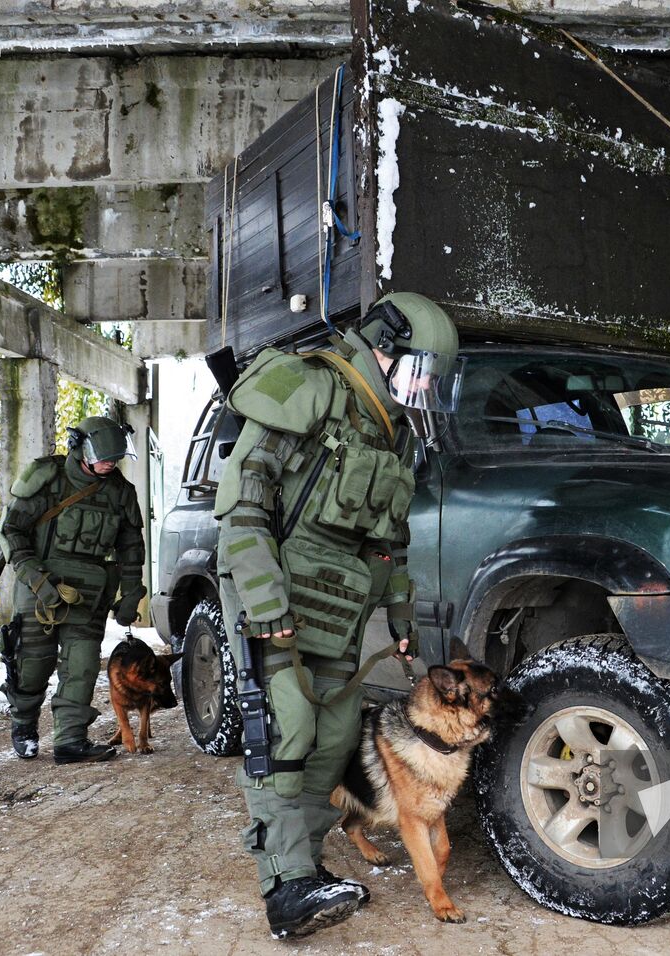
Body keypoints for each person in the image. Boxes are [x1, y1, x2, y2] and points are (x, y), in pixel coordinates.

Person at [215, 292, 460, 938]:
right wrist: (264, 600)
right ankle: (284, 886)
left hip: (336, 610)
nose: (421, 388)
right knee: (287, 730)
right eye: (416, 369)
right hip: (275, 595)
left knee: (332, 738)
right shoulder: (310, 388)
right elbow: (242, 504)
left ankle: (306, 867)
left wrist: (401, 617)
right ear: (382, 342)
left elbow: (389, 540)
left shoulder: (394, 429)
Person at [0, 415, 147, 764]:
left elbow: (131, 548)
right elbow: (12, 531)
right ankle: (23, 725)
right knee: (32, 665)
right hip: (39, 590)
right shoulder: (48, 479)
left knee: (80, 666)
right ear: (80, 449)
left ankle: (70, 741)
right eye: (103, 457)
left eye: (115, 459)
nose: (110, 464)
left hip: (89, 594)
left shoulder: (121, 492)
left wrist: (131, 593)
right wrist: (37, 579)